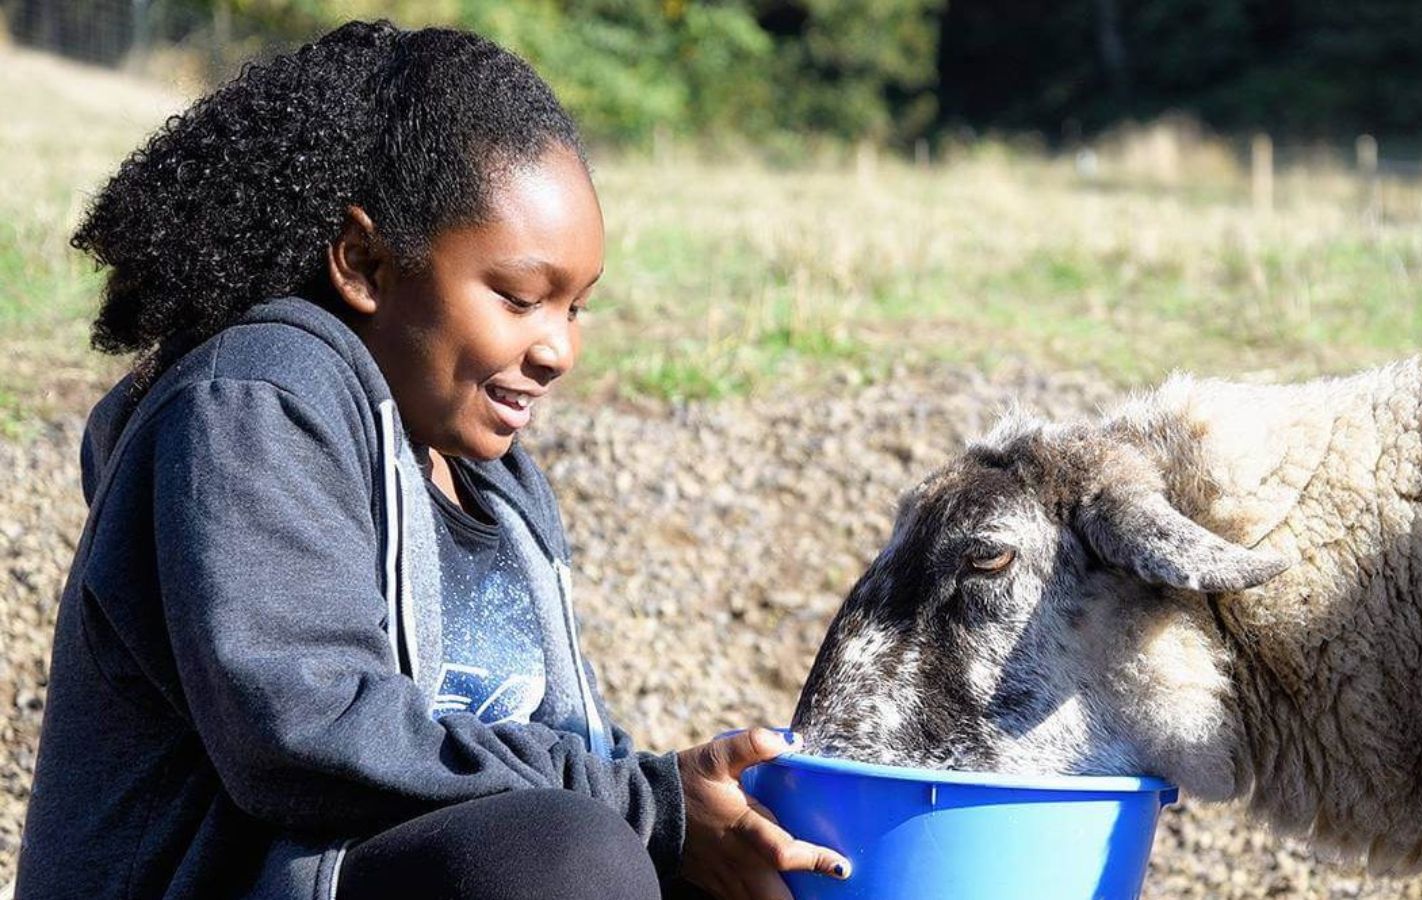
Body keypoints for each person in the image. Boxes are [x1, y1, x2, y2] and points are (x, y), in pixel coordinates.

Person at [14, 19, 850, 900]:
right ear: (365, 262)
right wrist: (649, 811)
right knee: (567, 860)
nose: (558, 348)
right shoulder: (256, 399)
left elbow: (559, 755)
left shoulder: (495, 483)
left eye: (576, 309)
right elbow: (301, 738)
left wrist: (693, 820)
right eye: (522, 298)